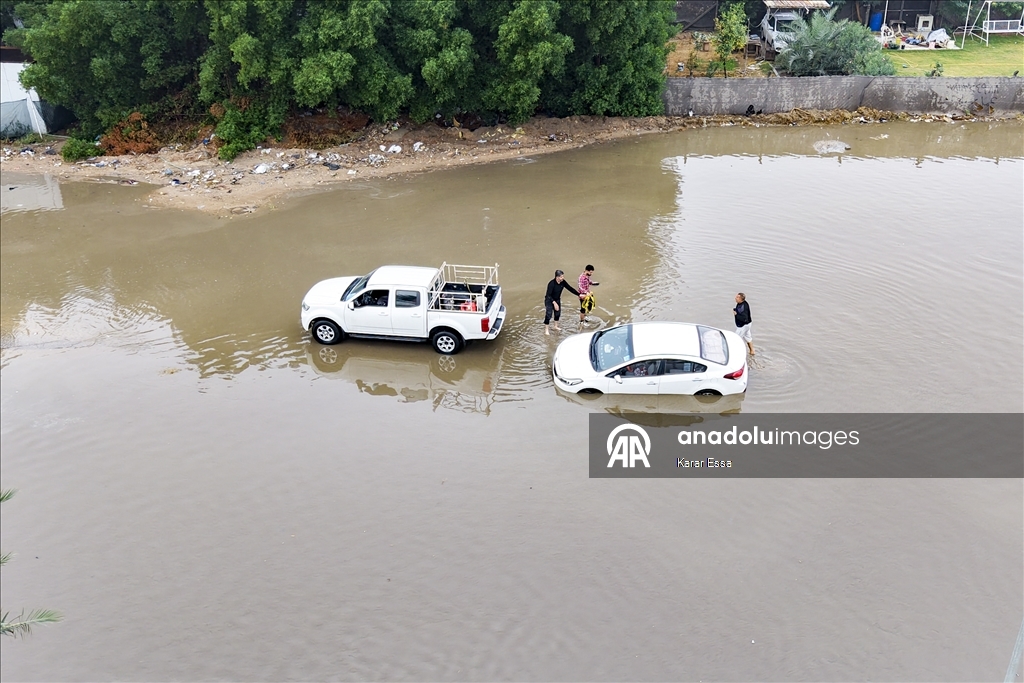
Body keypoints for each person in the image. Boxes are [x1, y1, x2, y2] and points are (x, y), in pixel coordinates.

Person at [544, 270, 580, 335]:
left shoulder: (563, 282)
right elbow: (548, 295)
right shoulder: (551, 284)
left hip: (557, 299)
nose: (562, 278)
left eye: (563, 276)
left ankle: (555, 326)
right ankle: (546, 330)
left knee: (557, 314)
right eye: (561, 277)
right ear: (557, 277)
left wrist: (578, 294)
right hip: (549, 300)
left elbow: (570, 288)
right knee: (548, 314)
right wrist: (554, 303)